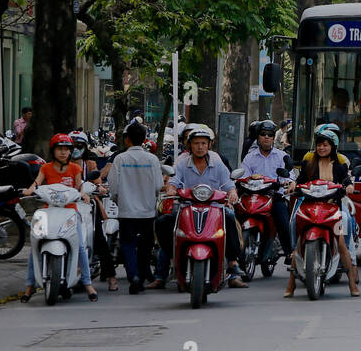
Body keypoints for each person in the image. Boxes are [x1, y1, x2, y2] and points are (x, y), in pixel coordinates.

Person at [148, 125, 249, 289]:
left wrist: (232, 193)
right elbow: (173, 182)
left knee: (230, 218)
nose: (200, 147)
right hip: (188, 209)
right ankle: (168, 261)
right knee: (162, 222)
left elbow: (228, 184)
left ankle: (232, 265)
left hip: (215, 209)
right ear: (189, 145)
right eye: (196, 143)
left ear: (209, 145)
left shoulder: (218, 164)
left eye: (203, 143)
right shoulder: (181, 165)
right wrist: (172, 189)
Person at [19, 133, 98, 301]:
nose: (63, 153)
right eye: (59, 149)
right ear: (53, 151)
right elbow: (37, 183)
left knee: (80, 248)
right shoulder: (45, 168)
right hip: (49, 212)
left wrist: (83, 194)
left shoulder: (75, 169)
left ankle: (87, 283)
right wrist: (29, 190)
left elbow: (80, 186)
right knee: (35, 245)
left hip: (70, 212)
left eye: (67, 150)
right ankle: (30, 285)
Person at [285, 126, 359, 297]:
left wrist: (348, 186)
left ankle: (352, 284)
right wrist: (293, 185)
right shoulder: (308, 164)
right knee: (298, 244)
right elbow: (299, 180)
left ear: (332, 147)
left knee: (341, 244)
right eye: (319, 145)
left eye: (325, 145)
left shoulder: (340, 166)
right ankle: (291, 285)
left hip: (333, 208)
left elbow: (347, 180)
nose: (322, 148)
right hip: (310, 207)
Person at [105, 121, 163, 294]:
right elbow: (158, 185)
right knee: (146, 245)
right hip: (147, 211)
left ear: (127, 140)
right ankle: (144, 273)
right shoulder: (152, 159)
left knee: (128, 244)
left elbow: (113, 184)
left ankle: (134, 276)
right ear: (144, 139)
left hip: (127, 211)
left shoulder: (120, 159)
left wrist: (117, 199)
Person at [240, 119, 295, 266]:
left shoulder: (281, 156)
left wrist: (288, 182)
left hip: (274, 196)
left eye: (270, 134)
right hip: (253, 195)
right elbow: (242, 175)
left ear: (273, 137)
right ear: (258, 136)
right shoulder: (250, 157)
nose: (266, 137)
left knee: (283, 220)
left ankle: (289, 252)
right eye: (263, 134)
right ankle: (232, 257)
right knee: (236, 217)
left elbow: (289, 175)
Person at [71, 129, 118, 293]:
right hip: (65, 209)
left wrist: (99, 188)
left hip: (88, 207)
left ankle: (111, 276)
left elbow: (98, 182)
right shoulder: (59, 166)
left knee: (98, 237)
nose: (75, 149)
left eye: (79, 146)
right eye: (71, 146)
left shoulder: (89, 165)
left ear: (84, 147)